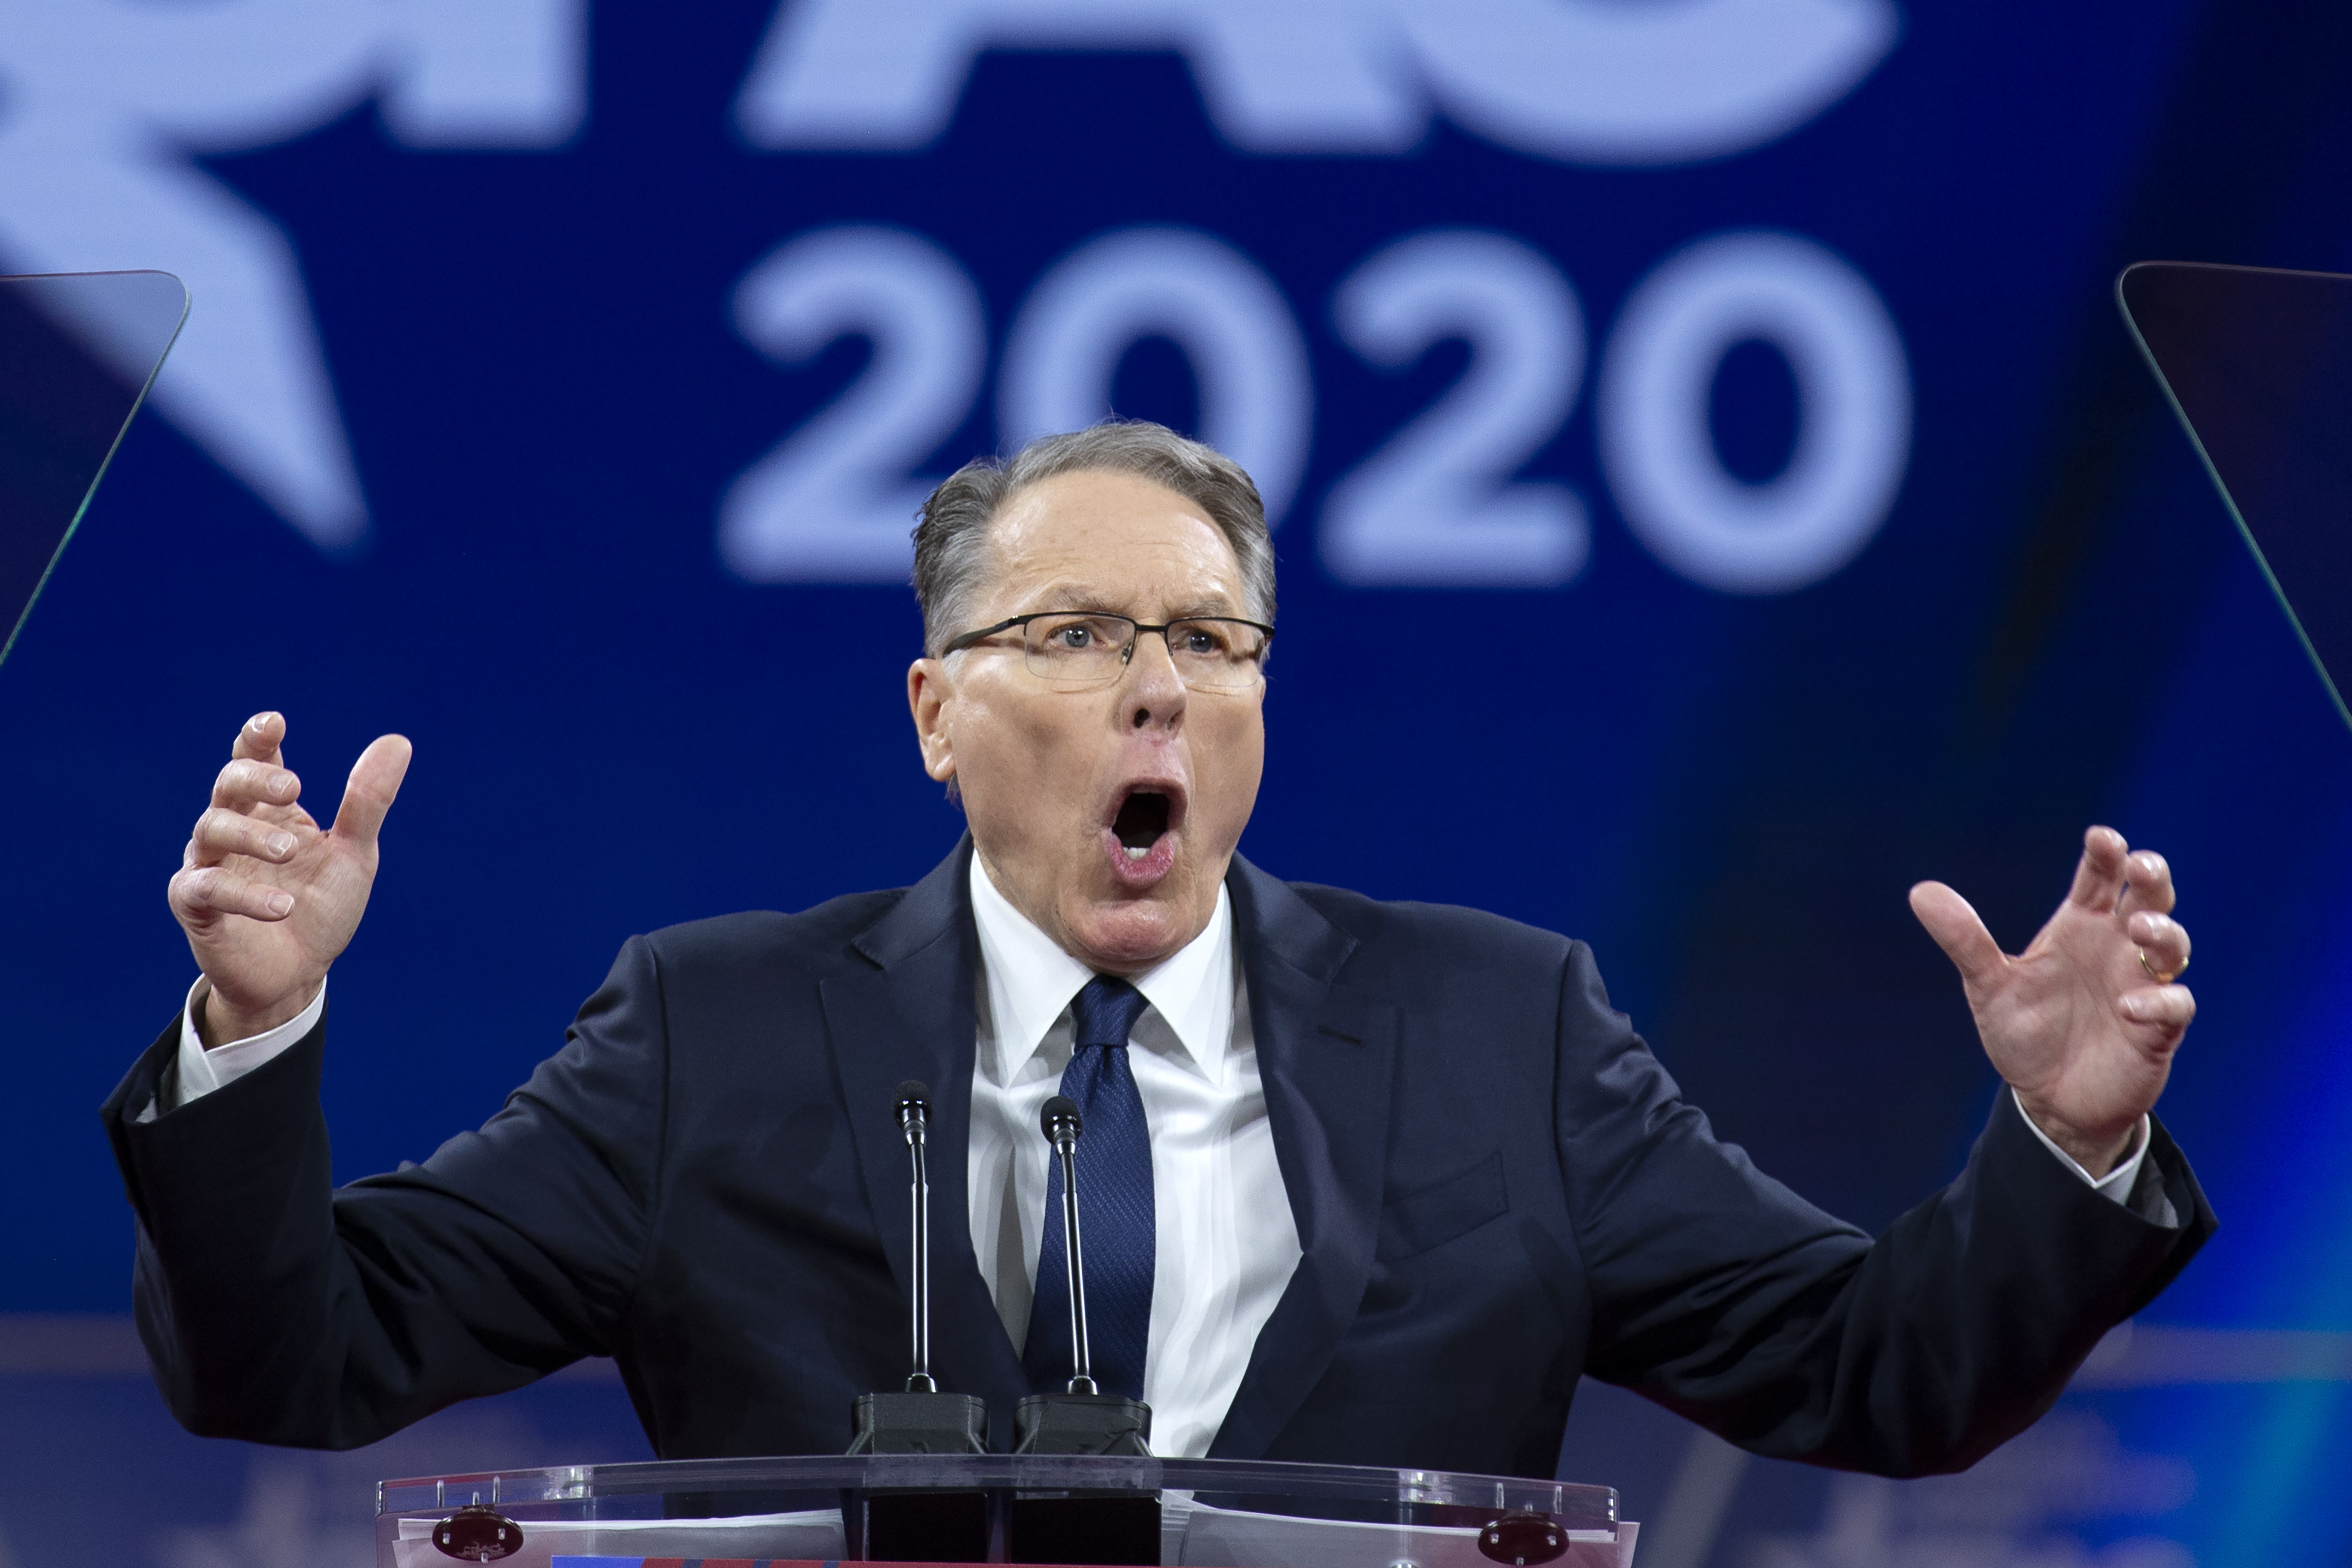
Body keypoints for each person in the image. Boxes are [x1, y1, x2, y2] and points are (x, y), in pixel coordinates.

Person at [104, 421, 2210, 1474]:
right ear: (936, 711)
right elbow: (294, 1359)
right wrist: (254, 1027)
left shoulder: (1506, 1027)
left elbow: (1883, 1374)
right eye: (1079, 635)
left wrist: (2064, 1140)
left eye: (1212, 641)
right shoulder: (710, 1030)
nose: (1158, 692)